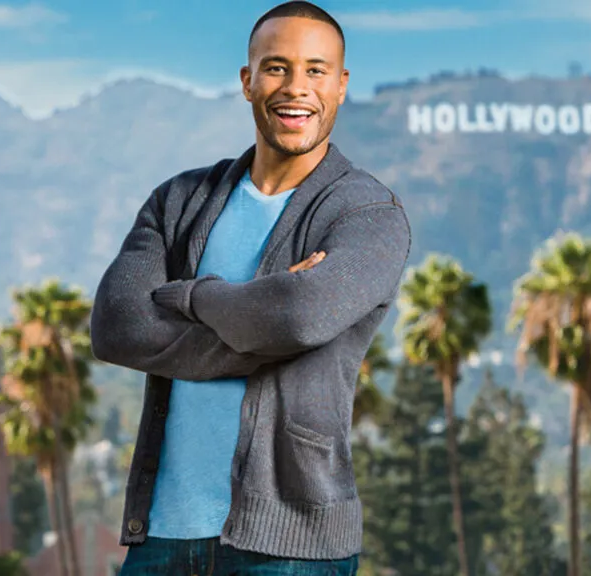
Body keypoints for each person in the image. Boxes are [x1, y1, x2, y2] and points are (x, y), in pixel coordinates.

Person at [89, 2, 411, 574]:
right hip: (162, 535)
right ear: (247, 80)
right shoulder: (178, 200)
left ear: (340, 86)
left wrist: (189, 296)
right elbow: (117, 327)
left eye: (316, 70)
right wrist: (260, 317)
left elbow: (297, 319)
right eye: (276, 67)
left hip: (291, 547)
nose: (296, 88)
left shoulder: (368, 214)